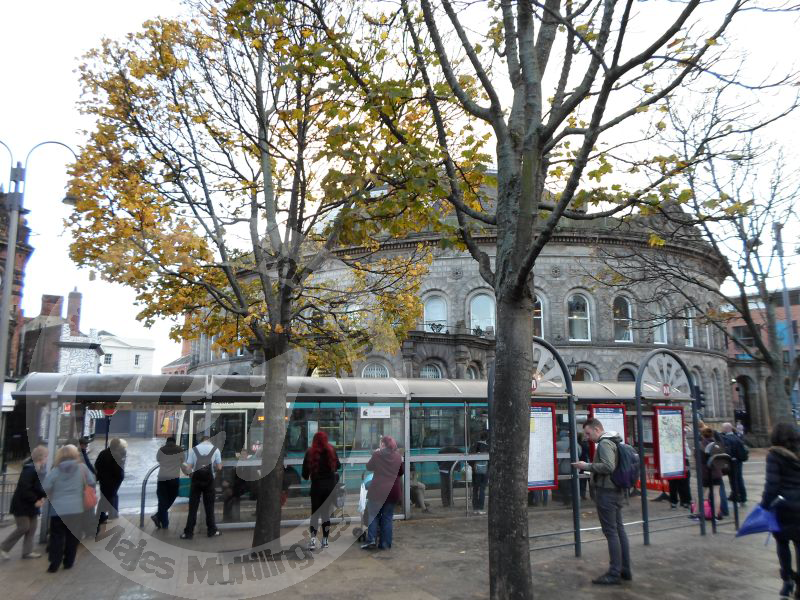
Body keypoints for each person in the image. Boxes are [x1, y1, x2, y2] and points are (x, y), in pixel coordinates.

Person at [573, 418, 631, 585]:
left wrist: (586, 466)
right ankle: (624, 569)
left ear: (597, 429)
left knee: (611, 532)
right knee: (619, 530)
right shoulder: (615, 441)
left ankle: (614, 573)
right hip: (617, 491)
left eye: (588, 433)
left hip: (607, 492)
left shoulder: (605, 444)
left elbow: (608, 466)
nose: (587, 437)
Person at [760, 422, 800, 599]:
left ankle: (787, 581)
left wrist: (765, 505)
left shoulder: (774, 455)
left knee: (782, 544)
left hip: (783, 507)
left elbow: (772, 485)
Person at [43, 445, 95, 573]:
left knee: (56, 536)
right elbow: (92, 481)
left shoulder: (55, 470)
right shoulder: (82, 468)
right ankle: (68, 561)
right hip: (76, 508)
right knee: (72, 535)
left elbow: (46, 486)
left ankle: (54, 563)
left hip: (57, 509)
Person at [0, 446, 48, 560]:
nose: (47, 459)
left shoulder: (37, 469)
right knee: (24, 527)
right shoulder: (30, 469)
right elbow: (24, 488)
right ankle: (4, 546)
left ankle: (27, 552)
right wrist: (36, 500)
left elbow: (38, 488)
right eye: (46, 456)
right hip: (22, 505)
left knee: (32, 528)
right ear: (41, 457)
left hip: (30, 505)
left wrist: (43, 496)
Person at [362, 435, 403, 550]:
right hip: (393, 491)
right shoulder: (398, 456)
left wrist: (376, 453)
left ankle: (371, 540)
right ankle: (385, 544)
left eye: (380, 443)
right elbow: (401, 472)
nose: (379, 445)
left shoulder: (377, 454)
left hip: (378, 491)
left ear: (383, 444)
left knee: (373, 515)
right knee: (387, 517)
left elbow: (369, 467)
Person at [302, 432, 341, 550]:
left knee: (315, 514)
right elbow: (338, 466)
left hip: (316, 487)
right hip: (329, 487)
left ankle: (313, 540)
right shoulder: (332, 450)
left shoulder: (310, 452)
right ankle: (325, 541)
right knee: (325, 515)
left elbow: (304, 474)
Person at [181, 435, 222, 539]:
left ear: (201, 441)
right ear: (209, 441)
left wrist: (189, 473)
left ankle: (188, 532)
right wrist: (213, 471)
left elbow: (188, 468)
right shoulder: (215, 450)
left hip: (196, 481)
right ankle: (212, 530)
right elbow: (219, 467)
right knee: (209, 507)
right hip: (209, 481)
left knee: (193, 508)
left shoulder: (193, 450)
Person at [152, 436, 184, 530]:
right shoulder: (179, 449)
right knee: (172, 497)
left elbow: (158, 459)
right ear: (174, 442)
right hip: (174, 478)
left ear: (167, 442)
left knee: (162, 500)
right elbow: (182, 461)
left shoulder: (161, 449)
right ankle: (160, 519)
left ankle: (162, 521)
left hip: (162, 478)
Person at [95, 438, 127, 529]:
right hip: (113, 482)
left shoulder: (103, 453)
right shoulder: (116, 455)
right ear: (117, 446)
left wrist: (100, 475)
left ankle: (103, 515)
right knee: (108, 498)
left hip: (103, 480)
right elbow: (118, 470)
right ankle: (102, 516)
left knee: (104, 498)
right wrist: (120, 478)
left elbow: (97, 465)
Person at [698, 427, 726, 520]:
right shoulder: (717, 444)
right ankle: (716, 515)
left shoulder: (702, 445)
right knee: (716, 493)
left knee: (702, 493)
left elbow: (699, 459)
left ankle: (697, 513)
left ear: (702, 435)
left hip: (706, 472)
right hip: (717, 471)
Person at [721, 422, 748, 503]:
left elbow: (727, 451)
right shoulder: (737, 437)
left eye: (723, 428)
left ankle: (736, 496)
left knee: (733, 479)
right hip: (739, 461)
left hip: (732, 461)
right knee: (739, 478)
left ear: (726, 429)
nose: (722, 430)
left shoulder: (726, 438)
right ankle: (742, 496)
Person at [668, 426, 692, 509]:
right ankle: (685, 501)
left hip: (676, 460)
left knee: (675, 482)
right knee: (682, 482)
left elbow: (688, 429)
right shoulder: (680, 438)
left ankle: (676, 501)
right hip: (680, 460)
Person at [469, 431, 489, 514]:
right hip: (485, 471)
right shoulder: (488, 447)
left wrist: (473, 466)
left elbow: (469, 459)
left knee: (475, 489)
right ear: (486, 438)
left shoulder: (473, 446)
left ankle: (475, 508)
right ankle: (480, 508)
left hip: (475, 471)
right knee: (482, 489)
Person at [438, 438, 460, 507]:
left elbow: (438, 461)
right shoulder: (455, 449)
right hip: (451, 470)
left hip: (443, 470)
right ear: (452, 442)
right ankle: (450, 502)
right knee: (450, 486)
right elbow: (463, 454)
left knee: (444, 487)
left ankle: (445, 503)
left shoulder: (441, 450)